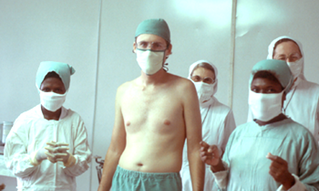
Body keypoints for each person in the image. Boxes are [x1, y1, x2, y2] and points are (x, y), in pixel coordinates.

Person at [98, 19, 204, 191]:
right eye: (143, 44)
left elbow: (194, 149)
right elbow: (116, 148)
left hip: (162, 183)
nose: (149, 50)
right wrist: (102, 188)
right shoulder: (124, 91)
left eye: (156, 45)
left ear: (168, 49)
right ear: (134, 47)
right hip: (124, 179)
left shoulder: (184, 89)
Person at [201, 59, 319, 190]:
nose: (261, 96)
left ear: (284, 94)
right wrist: (217, 166)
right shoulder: (239, 134)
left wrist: (290, 182)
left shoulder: (301, 137)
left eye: (270, 90)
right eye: (256, 89)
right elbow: (225, 185)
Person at [263, 36, 319, 191]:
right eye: (282, 58)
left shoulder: (316, 92)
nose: (288, 63)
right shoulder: (261, 95)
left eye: (294, 58)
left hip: (310, 174)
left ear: (301, 59)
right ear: (271, 60)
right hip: (270, 174)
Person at [4, 61, 92, 191]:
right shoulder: (25, 120)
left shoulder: (74, 121)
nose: (52, 94)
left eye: (58, 90)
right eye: (46, 89)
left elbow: (83, 162)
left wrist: (70, 160)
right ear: (38, 88)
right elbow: (13, 164)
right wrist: (36, 157)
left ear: (66, 90)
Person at [181, 60, 236, 191]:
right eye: (197, 78)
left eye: (207, 80)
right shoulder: (178, 109)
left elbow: (230, 152)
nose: (201, 84)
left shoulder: (224, 113)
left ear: (214, 84)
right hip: (178, 176)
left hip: (209, 180)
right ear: (189, 80)